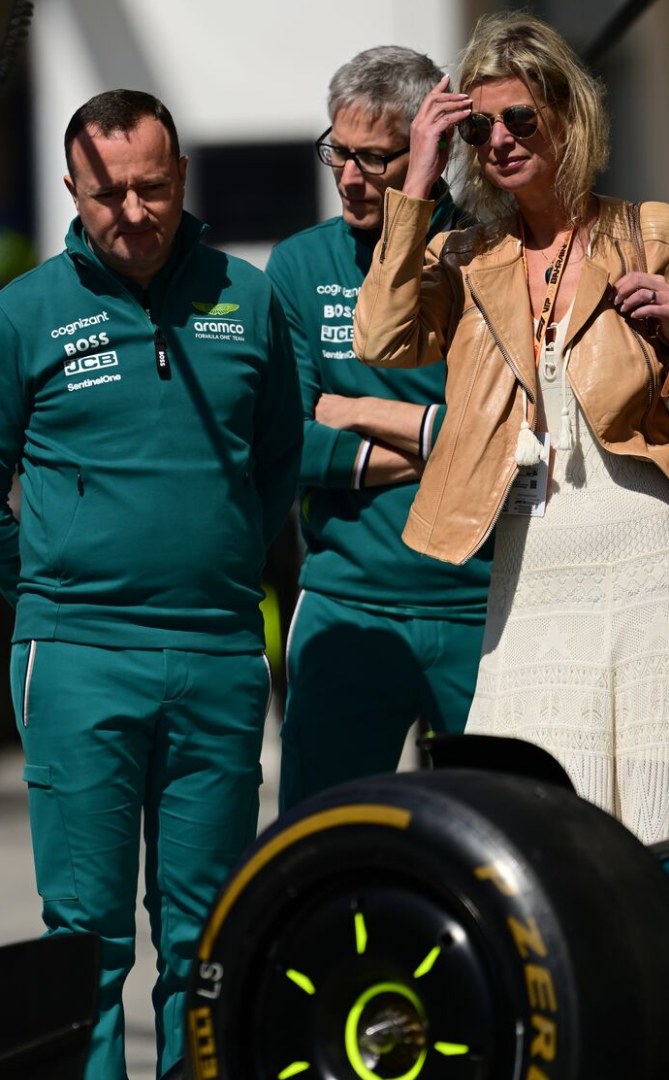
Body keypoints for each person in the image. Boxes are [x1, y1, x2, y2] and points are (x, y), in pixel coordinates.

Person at [354, 12, 669, 843]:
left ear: (569, 116)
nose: (500, 139)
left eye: (520, 118)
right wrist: (415, 181)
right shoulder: (465, 258)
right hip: (530, 576)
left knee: (652, 832)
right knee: (530, 826)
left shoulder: (656, 232)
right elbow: (381, 339)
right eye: (480, 126)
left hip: (654, 574)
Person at [0, 89, 300, 1079]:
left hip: (221, 655)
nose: (132, 212)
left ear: (181, 179)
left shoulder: (251, 299)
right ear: (72, 190)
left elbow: (274, 471)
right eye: (107, 194)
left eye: (151, 187)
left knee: (207, 934)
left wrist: (213, 564)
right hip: (78, 661)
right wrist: (62, 590)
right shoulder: (19, 317)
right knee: (85, 940)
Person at [267, 46, 489, 811]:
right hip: (345, 602)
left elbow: (507, 437)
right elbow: (290, 440)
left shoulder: (486, 254)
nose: (351, 177)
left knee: (497, 844)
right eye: (339, 152)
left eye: (376, 159)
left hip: (482, 604)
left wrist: (356, 410)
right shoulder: (298, 265)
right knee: (322, 841)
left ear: (436, 151)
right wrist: (446, 443)